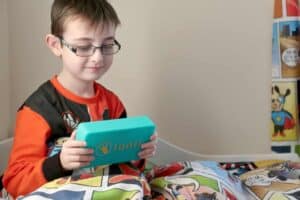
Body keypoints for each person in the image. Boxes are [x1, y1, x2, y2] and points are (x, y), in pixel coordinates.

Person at [2, 0, 157, 198]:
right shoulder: (37, 110)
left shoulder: (112, 104)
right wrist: (60, 162)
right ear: (56, 45)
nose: (98, 57)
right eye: (83, 46)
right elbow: (15, 181)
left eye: (107, 45)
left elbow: (125, 166)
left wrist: (139, 153)